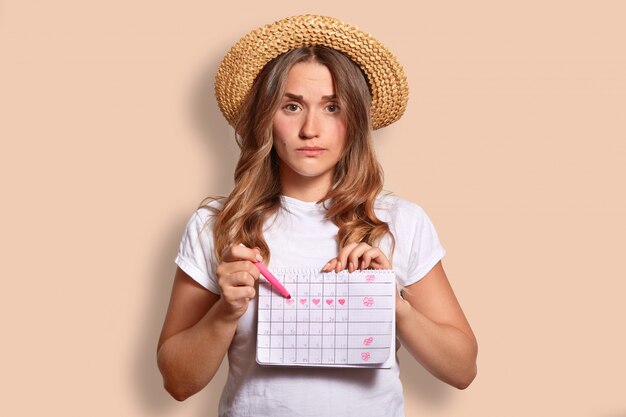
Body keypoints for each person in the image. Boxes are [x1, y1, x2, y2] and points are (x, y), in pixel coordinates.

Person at [157, 14, 477, 417]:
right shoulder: (218, 225)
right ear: (266, 118)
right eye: (291, 106)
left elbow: (463, 368)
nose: (311, 129)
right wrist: (225, 311)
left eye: (332, 107)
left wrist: (392, 302)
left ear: (356, 120)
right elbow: (177, 382)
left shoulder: (401, 222)